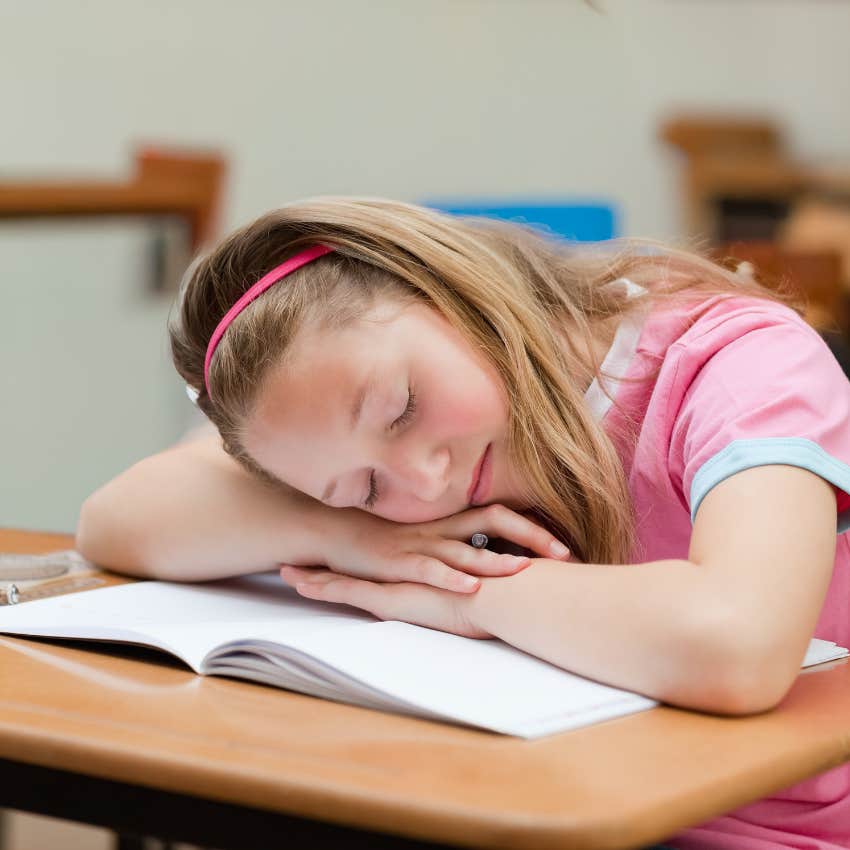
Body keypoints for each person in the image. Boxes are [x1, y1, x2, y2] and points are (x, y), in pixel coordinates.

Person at [77, 196, 850, 849]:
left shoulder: (735, 361)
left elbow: (737, 644)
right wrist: (364, 539)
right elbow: (115, 521)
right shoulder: (364, 452)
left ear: (449, 289)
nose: (423, 479)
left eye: (401, 408)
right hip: (537, 803)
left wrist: (461, 594)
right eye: (363, 486)